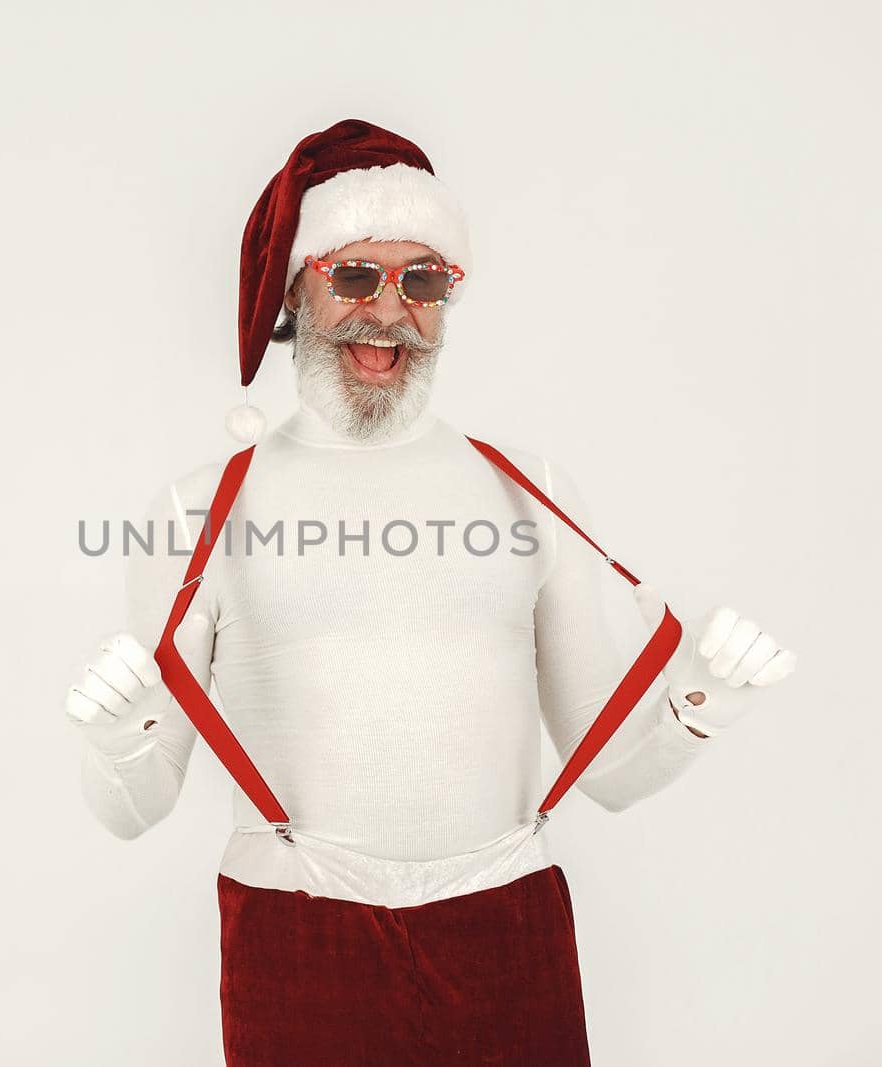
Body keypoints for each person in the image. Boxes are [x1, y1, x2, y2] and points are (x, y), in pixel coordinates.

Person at [63, 118, 797, 1065]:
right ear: (296, 289)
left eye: (423, 279)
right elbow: (136, 806)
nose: (391, 309)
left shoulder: (524, 488)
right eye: (355, 274)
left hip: (508, 930)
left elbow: (608, 772)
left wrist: (699, 703)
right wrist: (119, 742)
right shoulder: (199, 510)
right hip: (299, 938)